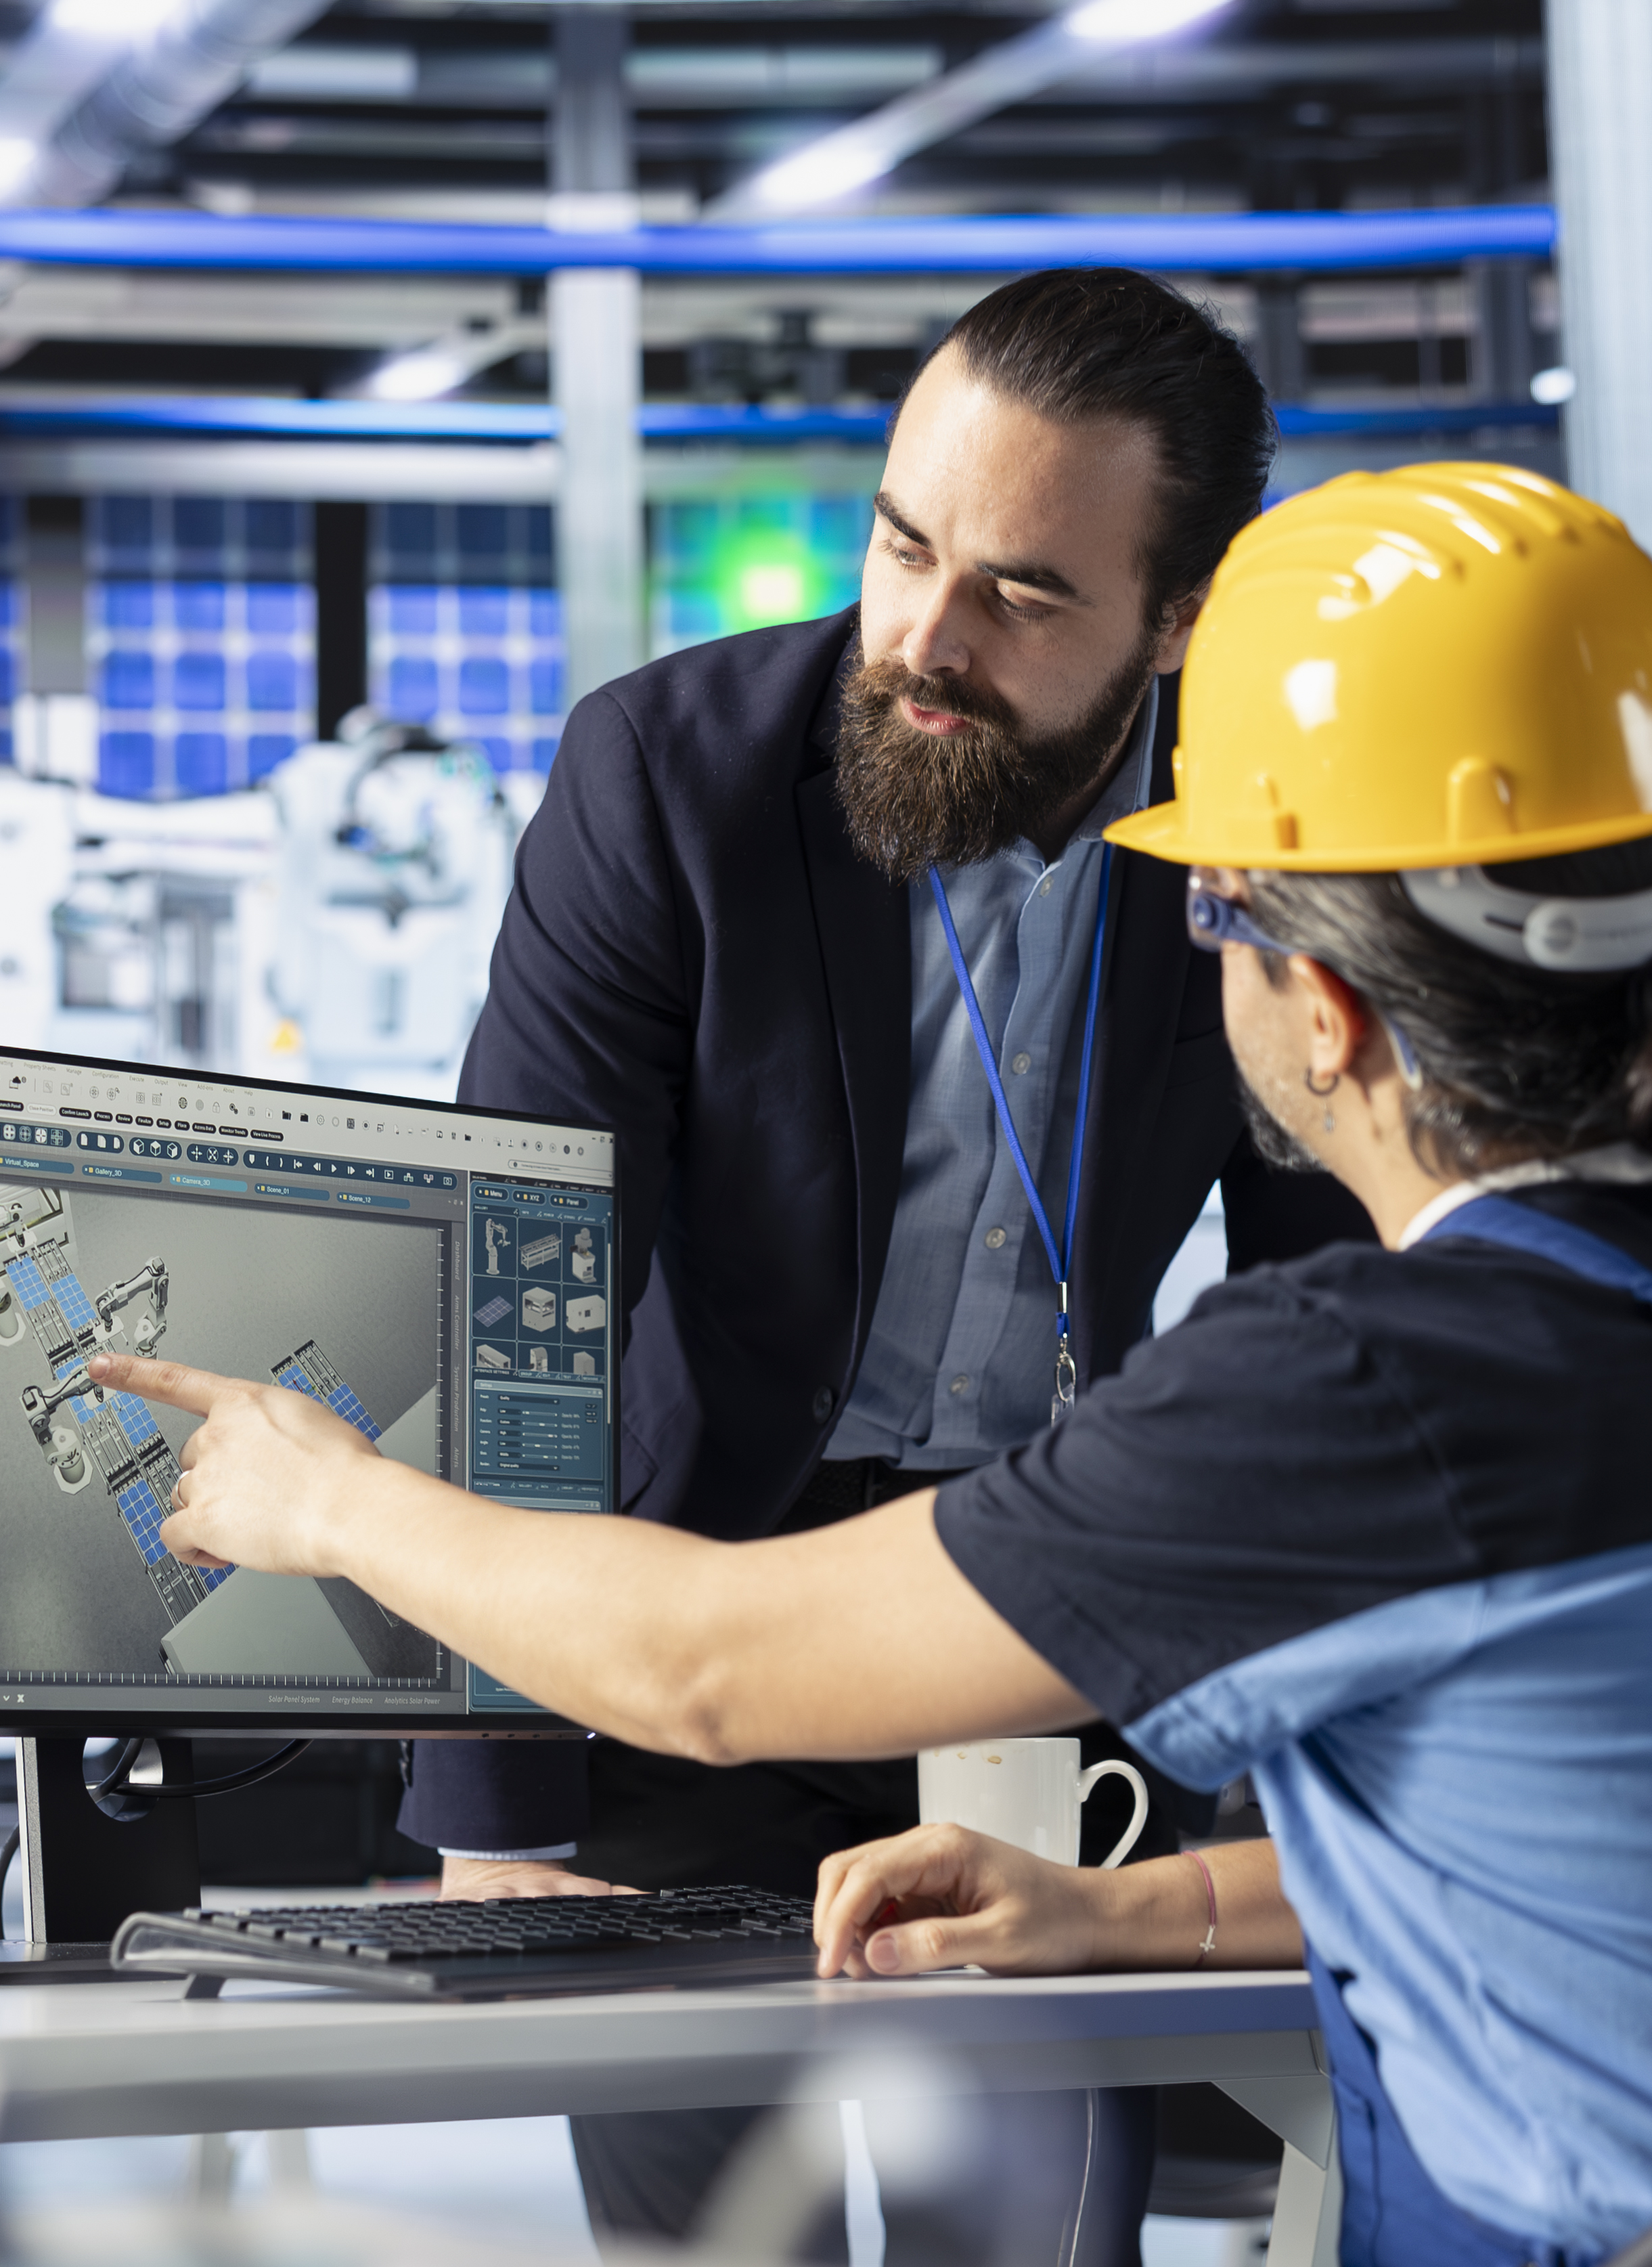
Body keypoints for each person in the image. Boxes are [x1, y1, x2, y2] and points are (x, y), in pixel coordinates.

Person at [93, 462, 1652, 2267]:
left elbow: (707, 1669)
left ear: (1320, 1007)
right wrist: (1127, 1914)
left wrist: (324, 1495)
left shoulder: (1381, 1386)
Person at [418, 263, 1364, 2256]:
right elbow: (527, 1288)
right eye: (904, 543)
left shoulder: (1274, 831)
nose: (924, 636)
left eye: (1024, 592)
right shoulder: (668, 778)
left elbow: (1328, 1316)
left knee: (1028, 2239)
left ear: (1181, 618)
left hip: (1033, 1613)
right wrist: (504, 1800)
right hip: (688, 1618)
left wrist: (1299, 1769)